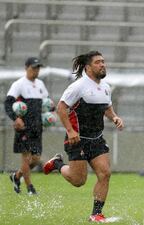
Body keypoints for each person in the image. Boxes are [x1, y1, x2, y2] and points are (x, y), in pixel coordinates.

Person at [42, 51, 124, 222]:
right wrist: (71, 131)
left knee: (105, 173)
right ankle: (57, 163)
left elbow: (107, 107)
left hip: (96, 138)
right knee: (78, 181)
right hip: (77, 139)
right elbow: (61, 108)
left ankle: (96, 214)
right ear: (88, 67)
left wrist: (114, 117)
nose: (103, 64)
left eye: (103, 61)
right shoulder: (78, 86)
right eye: (98, 62)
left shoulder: (106, 87)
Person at [5, 57, 48, 195]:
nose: (36, 70)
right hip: (24, 127)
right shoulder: (19, 84)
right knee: (26, 158)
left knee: (35, 159)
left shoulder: (40, 84)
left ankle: (16, 176)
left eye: (38, 68)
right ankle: (30, 188)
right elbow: (8, 103)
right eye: (34, 67)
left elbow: (46, 103)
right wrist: (16, 118)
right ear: (26, 68)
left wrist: (49, 114)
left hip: (37, 127)